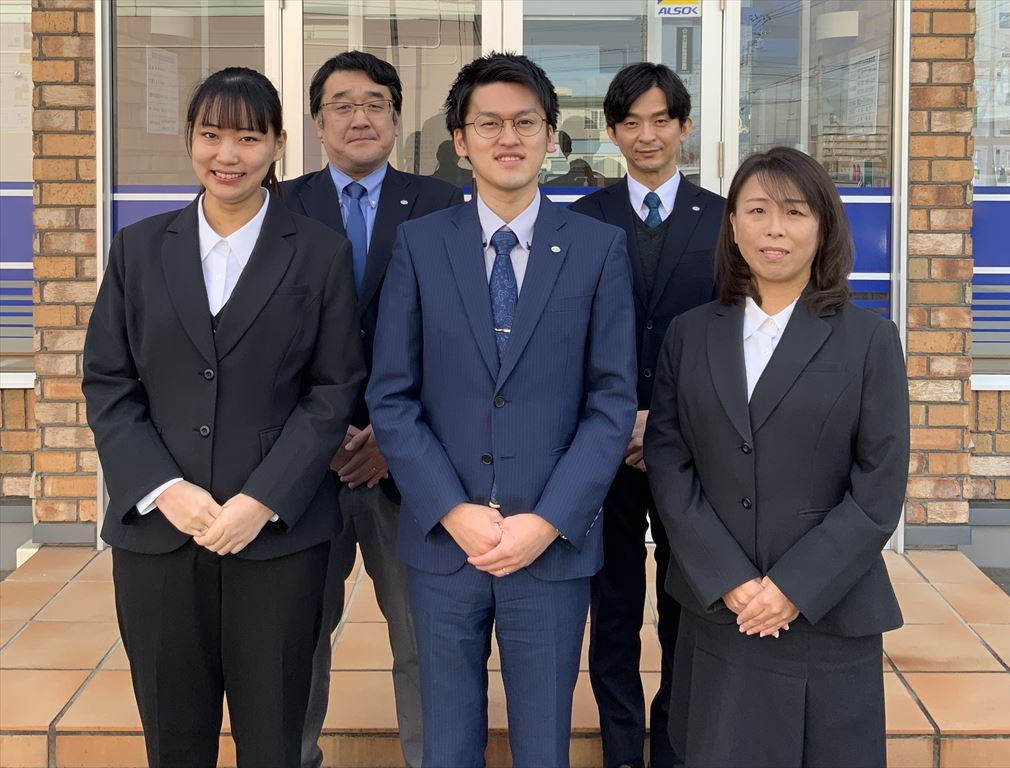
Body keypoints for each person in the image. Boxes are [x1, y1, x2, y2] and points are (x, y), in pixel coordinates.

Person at [82, 67, 365, 768]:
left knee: (274, 739)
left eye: (248, 137)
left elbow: (332, 390)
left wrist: (262, 499)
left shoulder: (319, 253)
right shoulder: (139, 248)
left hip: (278, 540)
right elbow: (109, 382)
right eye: (211, 135)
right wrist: (164, 490)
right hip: (160, 537)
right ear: (190, 139)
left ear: (278, 145)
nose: (227, 155)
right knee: (174, 741)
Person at [366, 52, 637, 767]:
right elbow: (392, 394)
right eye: (488, 124)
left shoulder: (598, 248)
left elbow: (612, 401)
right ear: (460, 140)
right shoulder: (421, 245)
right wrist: (452, 510)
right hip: (444, 543)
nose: (508, 138)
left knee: (543, 742)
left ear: (551, 137)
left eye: (526, 122)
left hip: (550, 545)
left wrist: (548, 521)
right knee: (447, 742)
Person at [645, 146, 909, 767]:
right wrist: (729, 578)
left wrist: (794, 586)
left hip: (825, 612)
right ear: (733, 224)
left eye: (794, 211)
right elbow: (669, 460)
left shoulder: (870, 339)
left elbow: (878, 485)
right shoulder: (690, 334)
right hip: (720, 610)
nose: (774, 229)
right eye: (757, 210)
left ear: (823, 225)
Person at [281, 50, 462, 768]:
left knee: (423, 640)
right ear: (318, 122)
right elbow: (266, 344)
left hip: (410, 466)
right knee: (296, 638)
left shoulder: (445, 204)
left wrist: (393, 435)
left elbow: (457, 341)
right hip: (305, 467)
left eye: (375, 104)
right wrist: (321, 433)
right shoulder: (278, 206)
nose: (360, 117)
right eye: (343, 105)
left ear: (395, 118)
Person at [568, 61, 724, 768]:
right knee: (614, 608)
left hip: (694, 446)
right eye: (630, 122)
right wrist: (620, 418)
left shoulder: (723, 219)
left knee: (686, 604)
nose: (647, 135)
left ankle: (675, 745)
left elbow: (730, 337)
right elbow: (565, 338)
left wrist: (661, 418)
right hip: (603, 447)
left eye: (661, 120)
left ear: (684, 127)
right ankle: (623, 749)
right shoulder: (581, 220)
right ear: (611, 132)